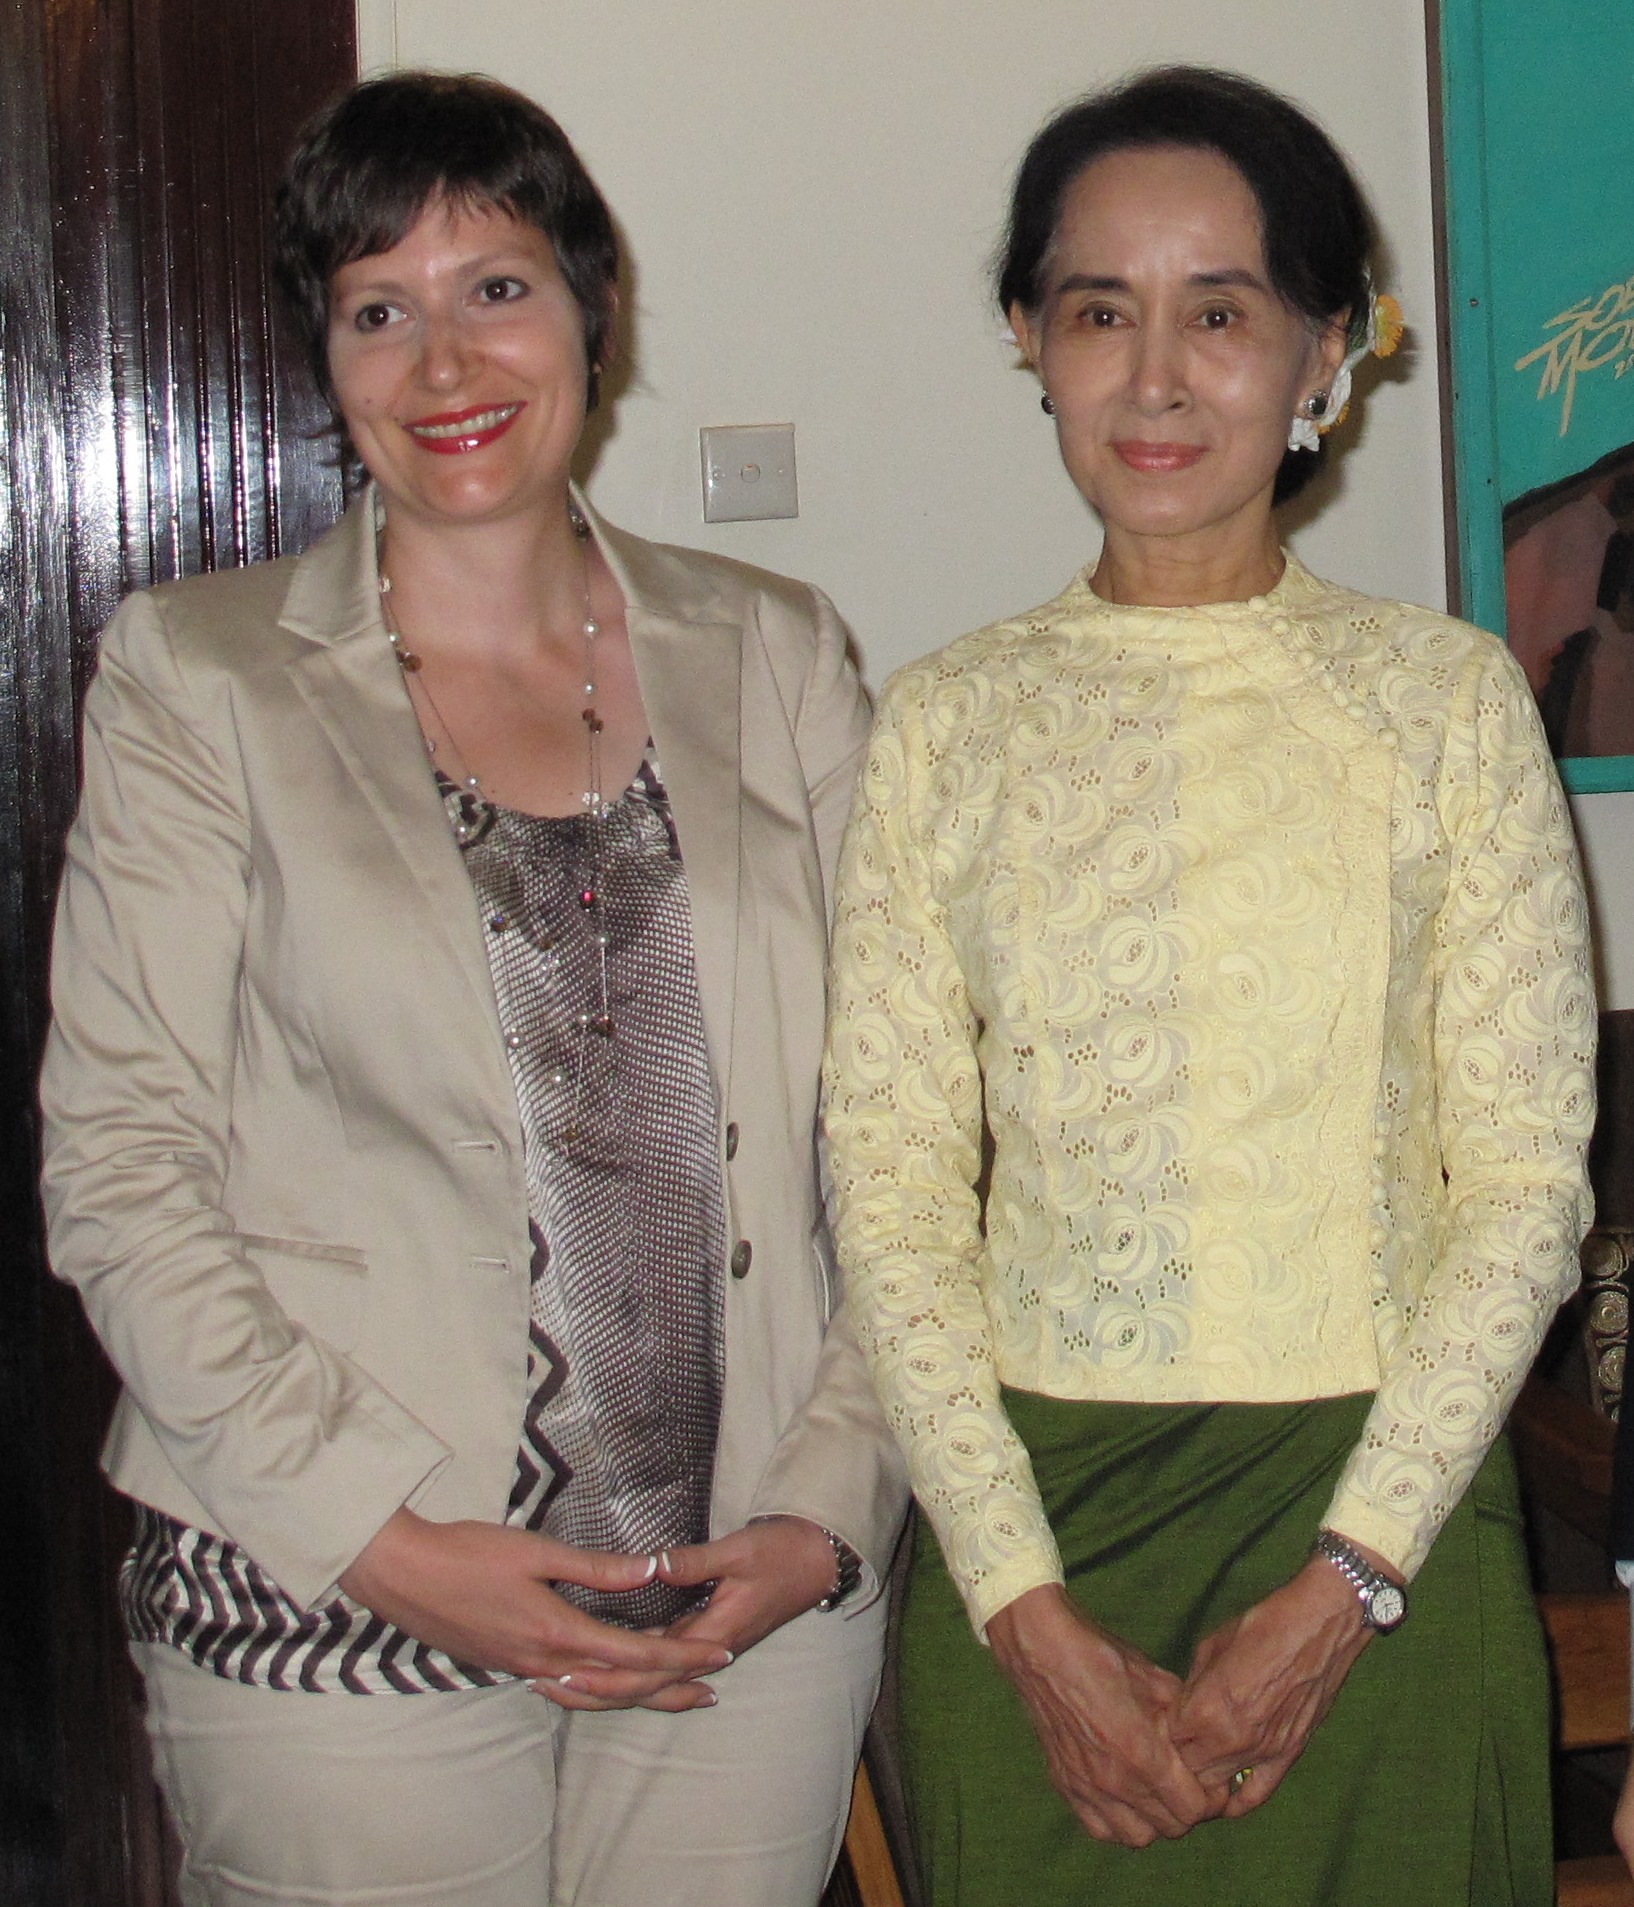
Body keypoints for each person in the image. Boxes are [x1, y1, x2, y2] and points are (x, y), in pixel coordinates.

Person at [40, 70, 904, 1907]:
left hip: (735, 1594)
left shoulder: (778, 652)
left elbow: (906, 1141)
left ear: (597, 308)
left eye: (496, 286)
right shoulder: (200, 681)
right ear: (328, 357)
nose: (444, 364)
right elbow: (121, 1171)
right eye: (379, 308)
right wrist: (385, 1539)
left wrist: (822, 1513)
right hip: (332, 1586)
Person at [822, 65, 1595, 1907]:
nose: (1155, 377)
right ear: (1029, 340)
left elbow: (1520, 1189)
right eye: (1099, 311)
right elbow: (893, 1184)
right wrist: (1018, 1608)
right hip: (1035, 1545)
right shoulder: (945, 725)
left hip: (1373, 1531)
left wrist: (1346, 1582)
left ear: (1324, 350)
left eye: (1221, 313)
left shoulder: (1442, 706)